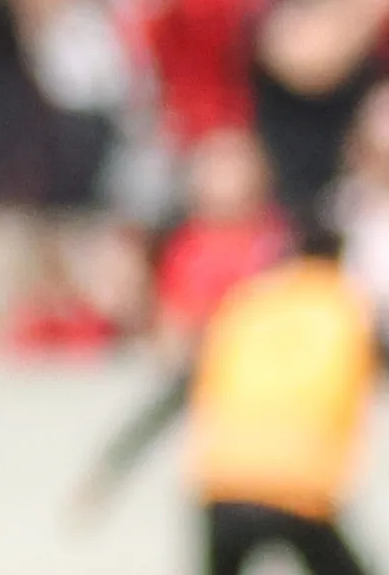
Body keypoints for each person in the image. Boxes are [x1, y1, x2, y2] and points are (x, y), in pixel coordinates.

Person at [81, 216, 379, 575]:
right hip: (301, 485)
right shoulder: (350, 311)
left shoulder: (244, 307)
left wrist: (110, 467)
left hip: (224, 481)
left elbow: (174, 396)